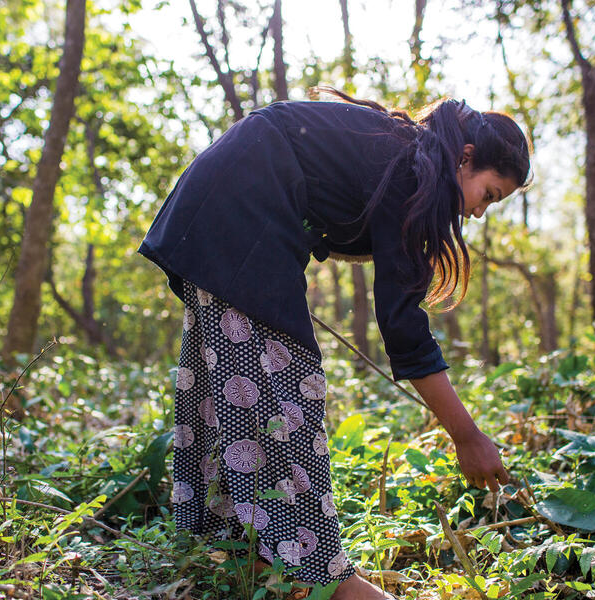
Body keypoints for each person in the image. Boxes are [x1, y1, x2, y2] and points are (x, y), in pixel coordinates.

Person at [139, 88, 531, 599]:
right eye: (489, 194)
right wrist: (467, 435)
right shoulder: (417, 170)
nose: (479, 213)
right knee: (287, 386)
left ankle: (248, 549)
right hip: (243, 204)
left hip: (225, 197)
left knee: (231, 376)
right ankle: (326, 576)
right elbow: (404, 329)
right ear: (467, 158)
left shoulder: (404, 157)